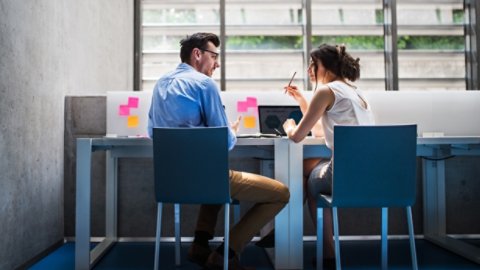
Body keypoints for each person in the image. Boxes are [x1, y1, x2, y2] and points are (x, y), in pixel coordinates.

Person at [147, 32, 290, 270]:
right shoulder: (204, 84)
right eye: (214, 56)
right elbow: (224, 141)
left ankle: (200, 245)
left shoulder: (160, 84)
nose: (218, 63)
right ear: (197, 54)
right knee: (281, 193)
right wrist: (231, 130)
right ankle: (227, 253)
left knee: (214, 174)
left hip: (169, 181)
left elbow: (153, 133)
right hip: (205, 180)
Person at [282, 43, 375, 268]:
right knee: (306, 167)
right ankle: (284, 232)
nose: (310, 70)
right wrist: (304, 101)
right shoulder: (356, 92)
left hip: (344, 176)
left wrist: (289, 126)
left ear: (323, 65)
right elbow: (321, 131)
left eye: (313, 64)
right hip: (372, 174)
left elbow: (297, 137)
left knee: (305, 179)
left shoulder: (326, 91)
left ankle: (291, 235)